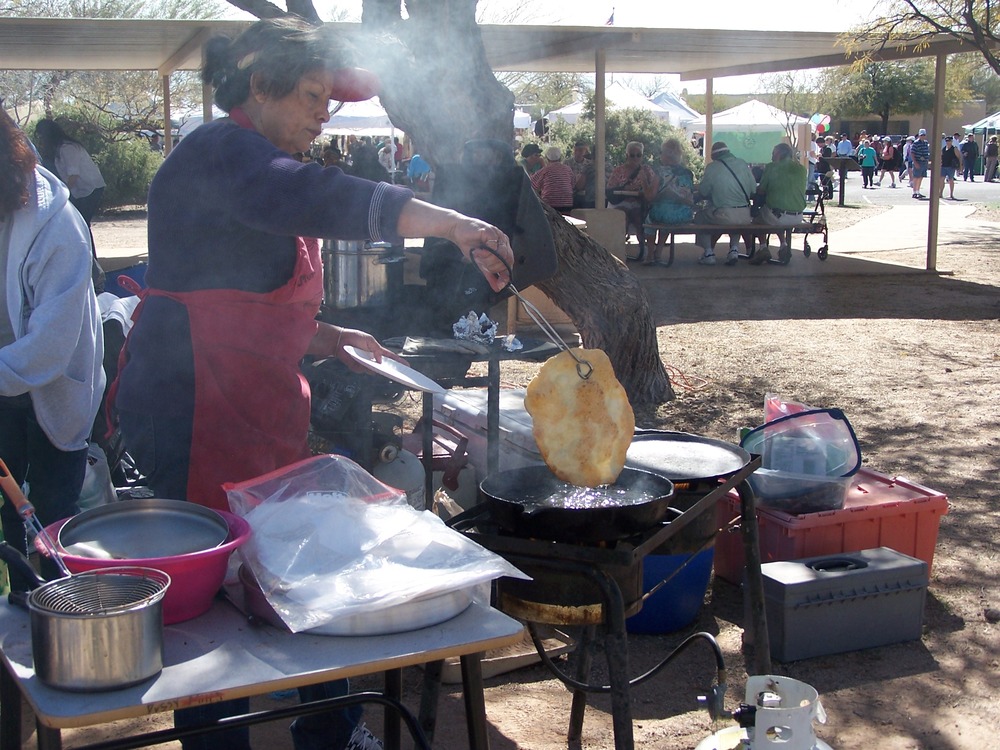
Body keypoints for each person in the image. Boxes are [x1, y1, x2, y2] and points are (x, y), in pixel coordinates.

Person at [110, 18, 513, 750]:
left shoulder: (257, 157)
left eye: (329, 99)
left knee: (298, 569)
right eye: (311, 96)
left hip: (255, 408)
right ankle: (219, 741)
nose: (322, 115)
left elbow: (243, 302)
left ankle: (330, 727)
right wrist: (451, 223)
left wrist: (326, 336)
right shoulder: (221, 153)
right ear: (259, 85)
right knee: (209, 613)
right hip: (191, 414)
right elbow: (311, 196)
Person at [0, 109, 105, 591]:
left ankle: (62, 613)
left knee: (52, 527)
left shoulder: (56, 226)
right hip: (5, 389)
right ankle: (22, 614)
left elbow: (48, 350)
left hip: (54, 391)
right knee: (11, 519)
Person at [32, 118, 106, 252]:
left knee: (82, 223)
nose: (41, 141)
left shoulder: (68, 148)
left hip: (90, 189)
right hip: (80, 190)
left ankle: (90, 259)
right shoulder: (59, 150)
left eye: (42, 136)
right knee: (77, 224)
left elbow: (73, 176)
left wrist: (61, 196)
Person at [693, 141, 756, 266]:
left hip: (724, 214)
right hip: (745, 215)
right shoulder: (743, 164)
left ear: (714, 156)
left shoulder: (712, 167)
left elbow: (703, 191)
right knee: (736, 221)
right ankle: (734, 249)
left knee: (700, 217)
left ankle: (708, 253)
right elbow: (753, 189)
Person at [752, 142, 807, 266]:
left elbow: (761, 190)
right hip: (798, 216)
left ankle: (762, 248)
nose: (771, 156)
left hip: (778, 215)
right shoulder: (801, 169)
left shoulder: (772, 167)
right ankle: (783, 245)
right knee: (774, 214)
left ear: (778, 154)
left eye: (773, 153)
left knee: (758, 219)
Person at [643, 137, 694, 266]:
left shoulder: (660, 172)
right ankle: (658, 252)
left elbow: (650, 196)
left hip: (664, 213)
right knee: (667, 215)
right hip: (683, 214)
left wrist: (643, 181)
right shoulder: (687, 173)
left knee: (651, 218)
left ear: (666, 155)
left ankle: (650, 254)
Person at [606, 141, 657, 261]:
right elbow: (609, 189)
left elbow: (653, 186)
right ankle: (618, 250)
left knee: (639, 219)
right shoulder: (618, 171)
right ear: (627, 155)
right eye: (632, 155)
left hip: (639, 203)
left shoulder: (646, 170)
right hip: (621, 202)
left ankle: (642, 250)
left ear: (642, 156)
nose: (635, 158)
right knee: (623, 217)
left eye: (638, 155)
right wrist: (624, 189)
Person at [529, 145, 574, 213]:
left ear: (547, 158)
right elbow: (573, 184)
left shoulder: (545, 170)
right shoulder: (568, 169)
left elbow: (532, 184)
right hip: (567, 204)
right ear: (560, 157)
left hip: (549, 205)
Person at [567, 140, 596, 209]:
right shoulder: (567, 163)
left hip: (586, 194)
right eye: (577, 150)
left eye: (581, 150)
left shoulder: (589, 164)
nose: (579, 152)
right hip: (572, 193)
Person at [910, 129, 930, 199]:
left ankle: (918, 191)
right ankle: (914, 192)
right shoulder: (916, 143)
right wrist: (915, 162)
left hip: (924, 162)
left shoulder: (925, 143)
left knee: (921, 177)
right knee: (916, 177)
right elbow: (912, 153)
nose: (923, 136)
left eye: (924, 135)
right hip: (918, 161)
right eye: (921, 135)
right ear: (919, 135)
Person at [940, 135, 961, 200]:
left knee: (950, 180)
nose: (948, 142)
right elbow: (941, 157)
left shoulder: (954, 148)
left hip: (951, 166)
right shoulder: (943, 149)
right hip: (943, 166)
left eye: (949, 141)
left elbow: (959, 157)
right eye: (947, 141)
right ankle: (940, 193)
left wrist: (960, 167)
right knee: (941, 180)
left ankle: (951, 194)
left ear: (951, 141)